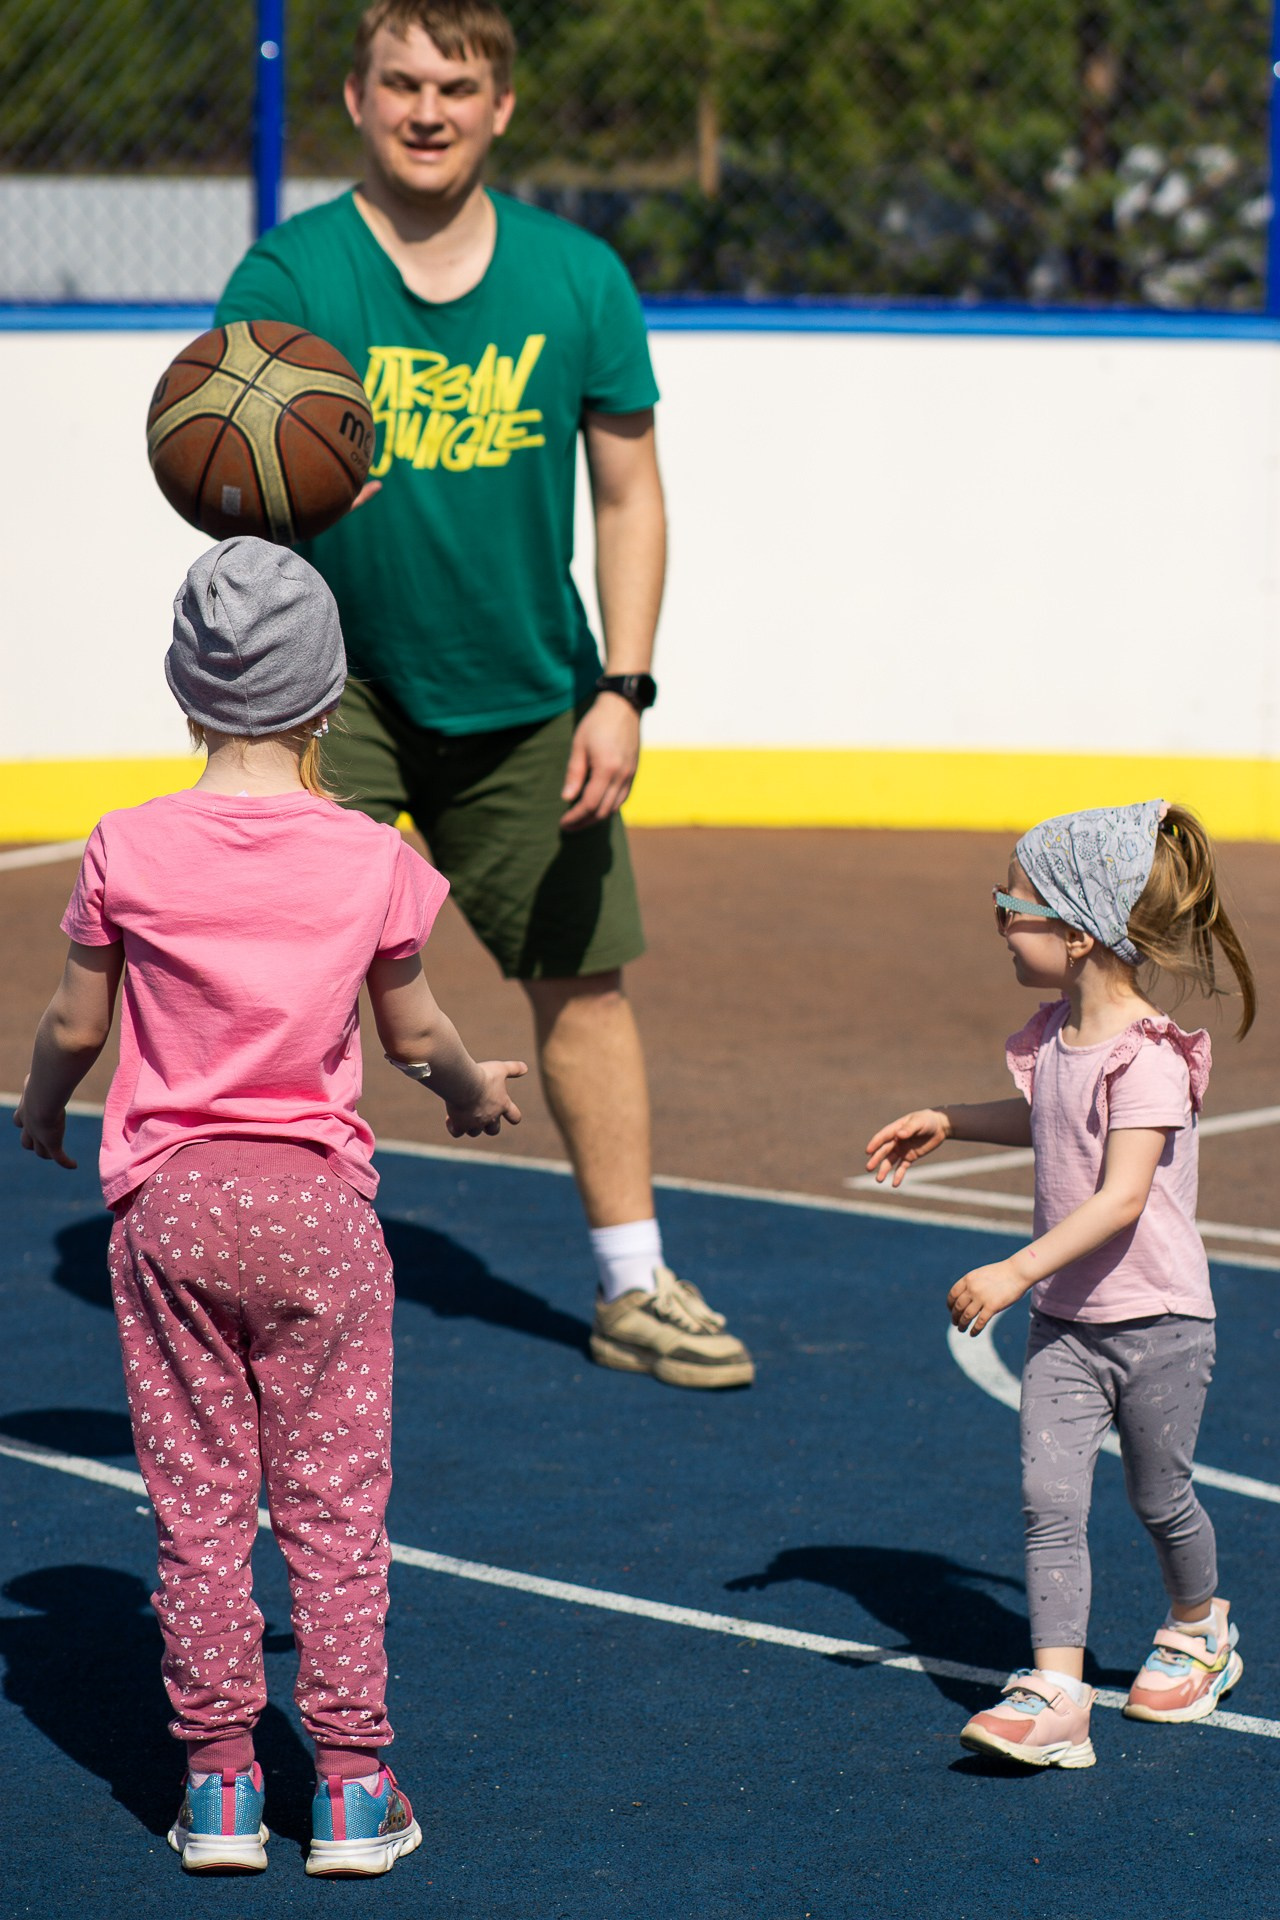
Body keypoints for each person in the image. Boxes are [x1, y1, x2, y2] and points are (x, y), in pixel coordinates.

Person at [214, 0, 753, 1390]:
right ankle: (256, 1280)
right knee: (281, 984)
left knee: (582, 984)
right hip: (330, 695)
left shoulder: (577, 278)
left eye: (456, 87)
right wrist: (286, 498)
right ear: (355, 96)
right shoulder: (290, 273)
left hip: (529, 695)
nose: (428, 110)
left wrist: (623, 688)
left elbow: (628, 495)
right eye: (401, 82)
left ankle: (632, 1284)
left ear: (500, 106)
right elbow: (221, 480)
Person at [14, 537, 527, 1875]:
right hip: (318, 1215)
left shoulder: (126, 843)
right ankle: (351, 1789)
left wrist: (43, 1105)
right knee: (333, 1509)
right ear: (331, 696)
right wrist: (473, 1089)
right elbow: (414, 1033)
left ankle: (220, 1789)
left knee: (197, 1508)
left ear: (185, 689)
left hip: (172, 1208)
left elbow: (75, 1021)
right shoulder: (372, 855)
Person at [865, 800, 1255, 1769]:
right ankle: (1056, 1690)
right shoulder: (1056, 1038)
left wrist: (1015, 1267)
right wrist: (951, 1119)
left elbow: (1121, 1198)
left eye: (1011, 905)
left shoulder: (1149, 1058)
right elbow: (1048, 1117)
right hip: (1066, 1327)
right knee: (1049, 1502)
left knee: (1160, 1498)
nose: (999, 922)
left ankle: (1200, 1629)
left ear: (1077, 932)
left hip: (1159, 1323)